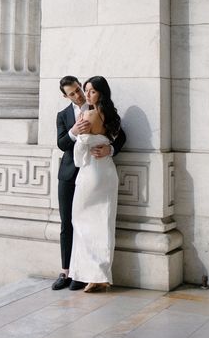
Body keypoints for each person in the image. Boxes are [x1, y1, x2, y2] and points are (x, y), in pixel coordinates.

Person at [52, 75, 126, 291]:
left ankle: (82, 274)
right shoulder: (62, 115)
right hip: (69, 174)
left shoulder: (97, 110)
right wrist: (74, 131)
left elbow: (121, 137)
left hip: (92, 171)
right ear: (65, 96)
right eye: (72, 93)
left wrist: (109, 149)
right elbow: (61, 143)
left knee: (90, 223)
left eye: (79, 90)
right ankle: (66, 270)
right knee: (68, 222)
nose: (78, 95)